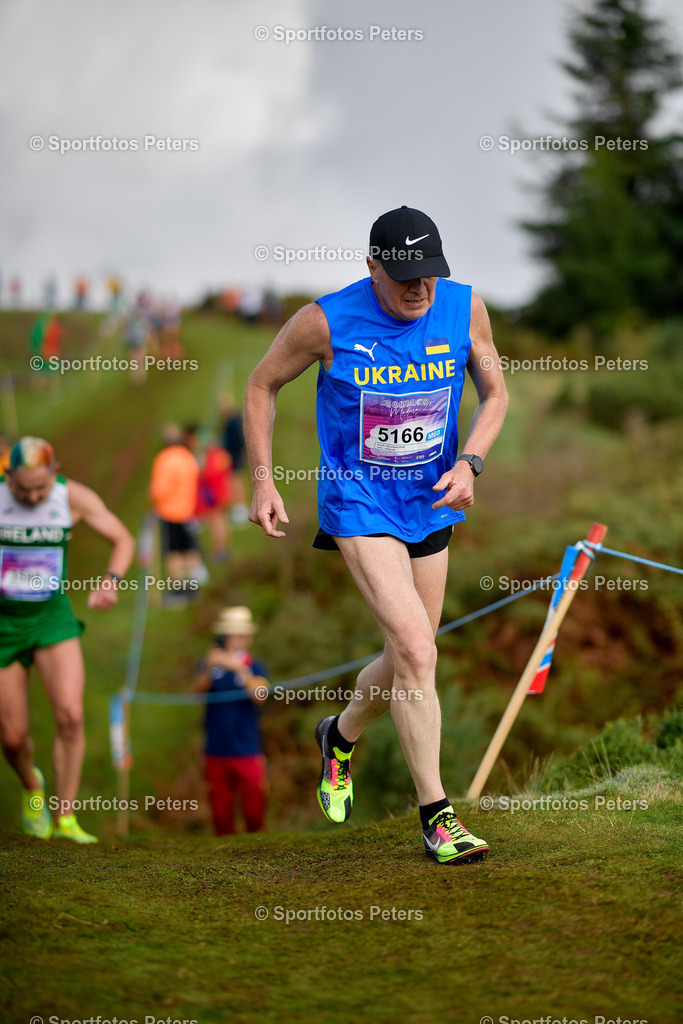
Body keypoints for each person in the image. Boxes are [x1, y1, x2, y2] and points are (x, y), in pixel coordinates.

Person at [245, 206, 508, 865]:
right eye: (403, 276)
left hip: (431, 501)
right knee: (417, 649)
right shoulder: (324, 322)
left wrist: (470, 462)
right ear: (372, 267)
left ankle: (338, 734)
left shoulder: (465, 309)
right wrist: (263, 481)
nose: (418, 288)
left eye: (428, 274)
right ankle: (438, 818)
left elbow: (495, 394)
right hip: (359, 502)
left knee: (409, 655)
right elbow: (261, 385)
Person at [0, 436, 135, 842]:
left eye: (40, 489)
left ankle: (65, 818)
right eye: (22, 490)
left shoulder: (72, 497)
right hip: (4, 623)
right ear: (8, 475)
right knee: (12, 738)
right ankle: (32, 787)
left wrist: (111, 581)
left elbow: (123, 539)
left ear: (54, 473)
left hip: (51, 619)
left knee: (72, 717)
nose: (32, 497)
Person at [194, 606, 268, 835]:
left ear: (249, 637)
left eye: (242, 633)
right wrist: (210, 666)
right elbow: (196, 693)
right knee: (220, 811)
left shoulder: (256, 666)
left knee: (254, 808)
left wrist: (240, 670)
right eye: (233, 633)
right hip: (216, 749)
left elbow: (260, 696)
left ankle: (257, 845)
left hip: (247, 748)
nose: (238, 638)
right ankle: (224, 849)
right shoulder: (210, 665)